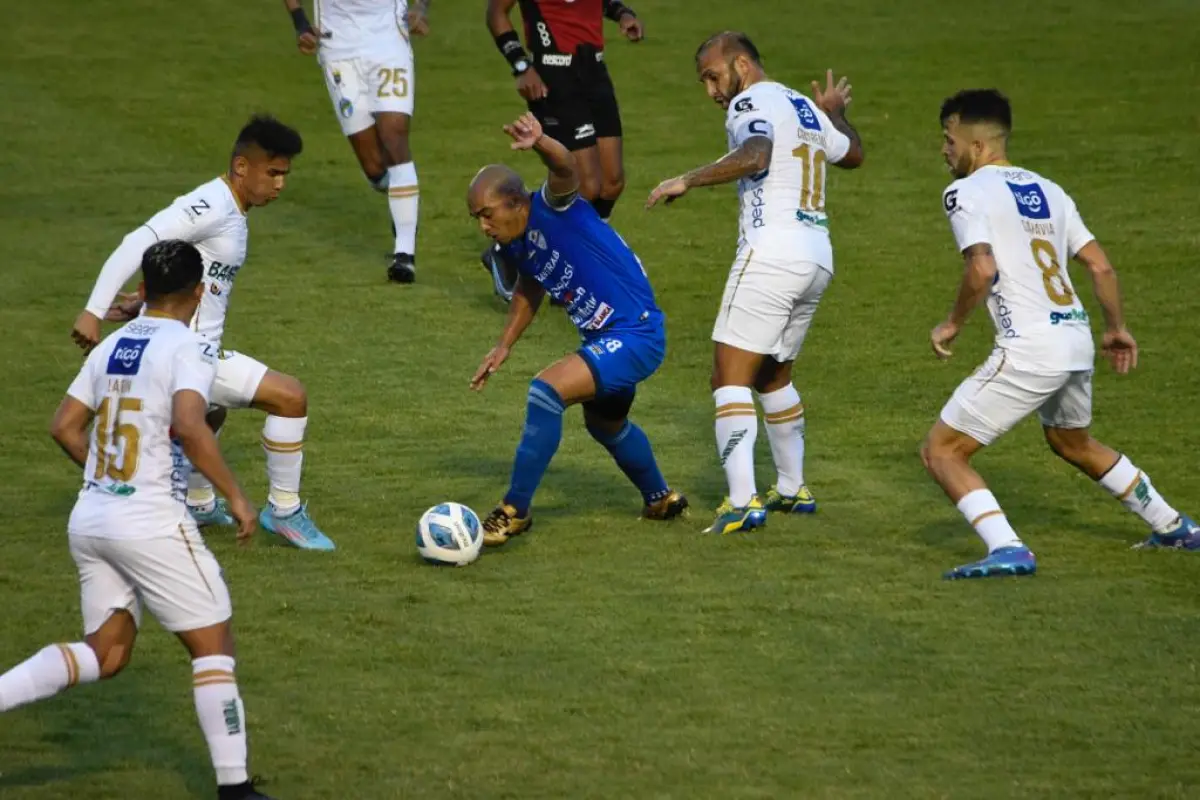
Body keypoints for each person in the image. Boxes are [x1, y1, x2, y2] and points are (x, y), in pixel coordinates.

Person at [1, 241, 273, 800]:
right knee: (213, 643)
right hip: (150, 521)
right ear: (199, 293)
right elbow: (192, 426)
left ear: (143, 290)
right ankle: (235, 788)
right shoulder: (189, 346)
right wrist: (239, 498)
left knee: (108, 654)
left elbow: (64, 427)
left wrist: (108, 477)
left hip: (92, 519)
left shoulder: (112, 345)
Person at [922, 88, 1199, 579]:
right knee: (1071, 441)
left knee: (942, 450)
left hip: (1030, 348)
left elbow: (981, 270)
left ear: (978, 144)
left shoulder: (964, 192)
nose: (944, 150)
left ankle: (1007, 547)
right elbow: (1099, 265)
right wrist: (1116, 328)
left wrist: (952, 323)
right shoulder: (1050, 189)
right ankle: (1172, 524)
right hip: (1074, 339)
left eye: (949, 140)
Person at [70, 115, 335, 551]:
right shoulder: (210, 204)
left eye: (285, 174)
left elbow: (197, 272)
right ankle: (284, 511)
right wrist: (91, 311)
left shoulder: (233, 209)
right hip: (185, 355)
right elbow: (140, 241)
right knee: (290, 397)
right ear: (241, 167)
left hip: (197, 350)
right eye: (272, 173)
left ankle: (198, 500)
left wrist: (144, 302)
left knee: (212, 413)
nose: (280, 184)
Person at [646, 32, 864, 535]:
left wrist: (689, 179)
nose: (711, 91)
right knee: (772, 377)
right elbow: (851, 153)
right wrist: (831, 112)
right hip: (816, 257)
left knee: (728, 377)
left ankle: (742, 502)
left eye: (713, 76)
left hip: (772, 254)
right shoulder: (802, 105)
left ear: (741, 64)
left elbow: (758, 153)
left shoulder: (751, 101)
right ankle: (792, 488)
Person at [467, 112, 687, 545]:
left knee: (545, 392)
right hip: (607, 339)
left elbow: (567, 167)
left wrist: (541, 141)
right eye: (477, 218)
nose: (484, 226)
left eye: (488, 214)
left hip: (634, 335)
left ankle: (515, 511)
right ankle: (659, 498)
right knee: (606, 426)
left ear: (516, 201)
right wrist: (503, 345)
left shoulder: (553, 206)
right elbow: (530, 288)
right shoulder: (519, 244)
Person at [481, 0, 644, 301]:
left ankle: (572, 265)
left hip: (593, 69)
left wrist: (623, 14)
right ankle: (508, 252)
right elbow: (496, 12)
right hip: (552, 76)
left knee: (611, 183)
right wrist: (521, 65)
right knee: (586, 185)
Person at [283, 0, 431, 284]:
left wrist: (421, 8)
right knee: (374, 166)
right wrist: (300, 22)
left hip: (388, 41)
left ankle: (405, 253)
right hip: (338, 47)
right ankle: (401, 197)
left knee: (395, 137)